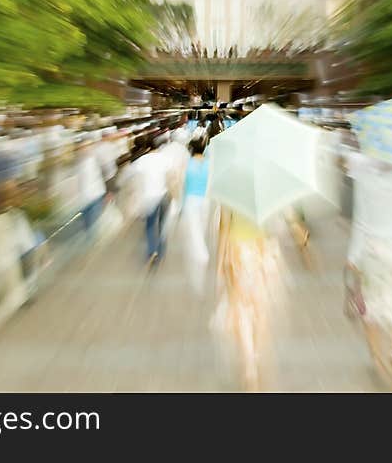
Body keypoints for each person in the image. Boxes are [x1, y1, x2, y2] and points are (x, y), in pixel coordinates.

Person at [345, 154, 392, 389]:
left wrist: (352, 258)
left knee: (369, 305)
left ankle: (377, 360)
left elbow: (361, 222)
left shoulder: (364, 177)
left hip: (373, 250)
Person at [214, 208, 285, 391]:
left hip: (238, 253)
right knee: (260, 309)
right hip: (262, 252)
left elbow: (224, 226)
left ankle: (249, 365)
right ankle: (257, 354)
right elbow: (274, 228)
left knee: (242, 310)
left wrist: (219, 264)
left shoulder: (229, 188)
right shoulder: (266, 193)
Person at [122, 136, 175, 266]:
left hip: (149, 198)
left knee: (150, 226)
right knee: (163, 225)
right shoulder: (164, 158)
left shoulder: (142, 160)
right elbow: (172, 175)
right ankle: (161, 251)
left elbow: (128, 173)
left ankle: (152, 252)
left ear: (147, 148)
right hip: (163, 196)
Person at [180, 137, 211, 295]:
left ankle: (201, 254)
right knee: (202, 226)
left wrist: (181, 205)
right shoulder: (208, 164)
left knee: (194, 229)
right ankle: (201, 249)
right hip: (205, 200)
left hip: (191, 200)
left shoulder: (187, 164)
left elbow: (183, 185)